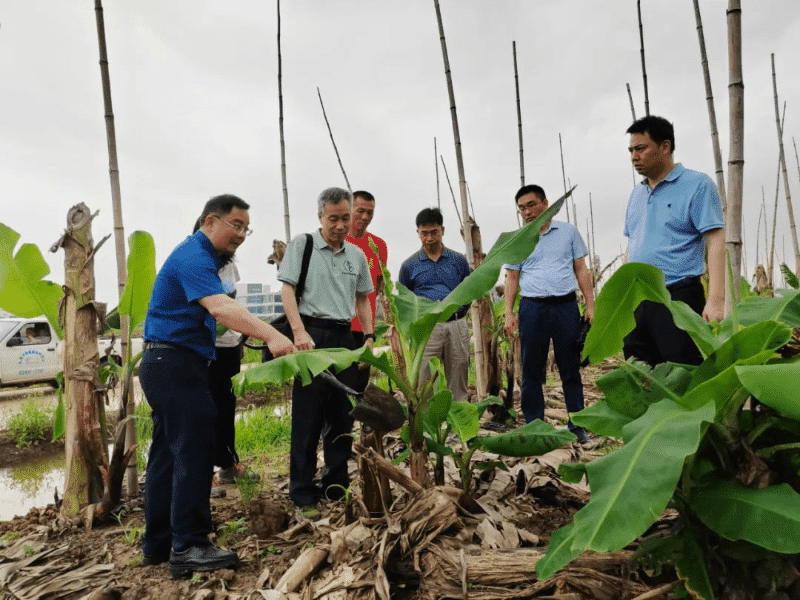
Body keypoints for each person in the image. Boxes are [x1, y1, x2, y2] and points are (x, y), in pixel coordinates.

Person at [140, 194, 296, 577]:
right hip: (175, 363)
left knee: (166, 455)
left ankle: (158, 544)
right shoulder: (194, 255)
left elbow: (224, 315)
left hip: (168, 362)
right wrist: (273, 336)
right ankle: (190, 545)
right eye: (236, 225)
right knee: (194, 449)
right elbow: (223, 309)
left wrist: (261, 332)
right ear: (211, 222)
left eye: (246, 228)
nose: (241, 235)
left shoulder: (203, 260)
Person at [279, 187, 374, 518]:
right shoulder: (302, 246)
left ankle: (336, 484)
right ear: (321, 217)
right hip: (311, 335)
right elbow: (287, 289)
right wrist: (299, 331)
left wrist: (369, 338)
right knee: (307, 417)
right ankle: (303, 492)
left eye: (345, 218)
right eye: (333, 218)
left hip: (345, 337)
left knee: (342, 416)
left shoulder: (356, 256)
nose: (340, 225)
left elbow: (363, 299)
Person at [624, 115, 724, 366]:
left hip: (677, 297)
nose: (634, 156)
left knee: (682, 370)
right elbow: (632, 246)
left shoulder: (697, 185)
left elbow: (715, 240)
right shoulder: (636, 194)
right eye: (631, 150)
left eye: (641, 149)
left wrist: (716, 300)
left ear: (665, 147)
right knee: (641, 374)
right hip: (638, 299)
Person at [503, 185, 596, 445]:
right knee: (532, 369)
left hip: (565, 306)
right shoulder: (520, 238)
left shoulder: (568, 232)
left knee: (571, 368)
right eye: (522, 208)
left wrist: (590, 305)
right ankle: (534, 427)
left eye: (531, 205)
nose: (527, 212)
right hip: (532, 308)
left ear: (545, 203)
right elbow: (512, 277)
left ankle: (577, 426)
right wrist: (509, 313)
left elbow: (581, 269)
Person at [190, 218, 260, 487]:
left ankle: (228, 464)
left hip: (229, 345)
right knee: (203, 410)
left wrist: (241, 331)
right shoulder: (194, 263)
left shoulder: (229, 264)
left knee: (226, 406)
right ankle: (202, 472)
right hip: (205, 347)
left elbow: (231, 301)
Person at [399, 207, 471, 402]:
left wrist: (460, 312)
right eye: (424, 233)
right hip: (427, 329)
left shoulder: (458, 260)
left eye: (434, 232)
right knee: (423, 381)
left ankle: (458, 428)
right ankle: (428, 430)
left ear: (442, 230)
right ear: (418, 233)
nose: (429, 238)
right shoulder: (409, 265)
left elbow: (469, 290)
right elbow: (406, 299)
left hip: (456, 324)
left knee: (458, 376)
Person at [345, 190, 388, 389]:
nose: (365, 217)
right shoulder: (338, 241)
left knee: (358, 387)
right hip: (337, 326)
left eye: (370, 212)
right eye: (360, 211)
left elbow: (380, 286)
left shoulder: (378, 246)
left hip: (364, 331)